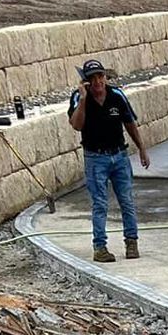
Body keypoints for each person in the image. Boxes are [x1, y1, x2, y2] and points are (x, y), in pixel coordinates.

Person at [68, 58, 151, 264]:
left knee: (127, 201)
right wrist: (84, 99)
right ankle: (100, 247)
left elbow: (130, 123)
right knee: (100, 204)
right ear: (86, 81)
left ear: (105, 77)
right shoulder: (79, 98)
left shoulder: (117, 96)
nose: (98, 82)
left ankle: (131, 242)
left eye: (100, 76)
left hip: (119, 155)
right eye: (93, 78)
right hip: (95, 158)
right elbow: (76, 125)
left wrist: (141, 148)